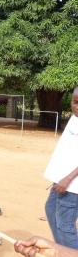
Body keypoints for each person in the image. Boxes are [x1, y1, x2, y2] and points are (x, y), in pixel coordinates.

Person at [43, 87, 78, 249]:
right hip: (61, 179)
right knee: (51, 210)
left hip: (73, 185)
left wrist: (68, 178)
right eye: (75, 102)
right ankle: (63, 251)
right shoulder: (74, 118)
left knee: (65, 225)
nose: (76, 107)